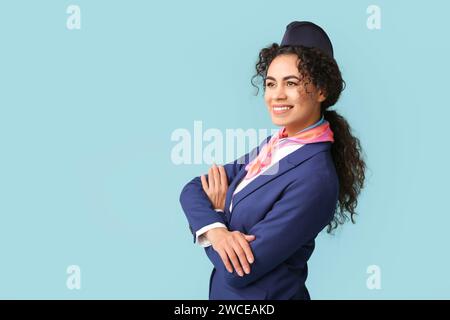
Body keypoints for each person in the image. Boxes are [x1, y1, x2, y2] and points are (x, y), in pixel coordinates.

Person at [179, 21, 366, 300]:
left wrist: (216, 215)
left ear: (321, 91)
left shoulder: (315, 177)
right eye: (270, 83)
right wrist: (218, 233)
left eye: (291, 83)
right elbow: (193, 188)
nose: (276, 95)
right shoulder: (275, 146)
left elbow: (239, 271)